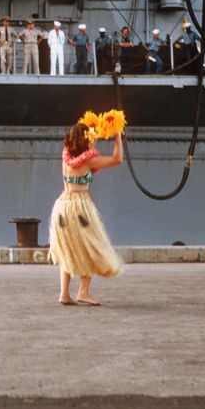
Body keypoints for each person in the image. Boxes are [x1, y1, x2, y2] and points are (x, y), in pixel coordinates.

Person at [49, 123, 124, 305]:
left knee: (68, 248)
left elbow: (83, 145)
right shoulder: (88, 160)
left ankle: (64, 294)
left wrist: (92, 130)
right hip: (80, 208)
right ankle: (83, 292)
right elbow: (117, 159)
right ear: (85, 140)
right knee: (90, 246)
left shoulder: (66, 155)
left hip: (61, 206)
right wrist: (117, 136)